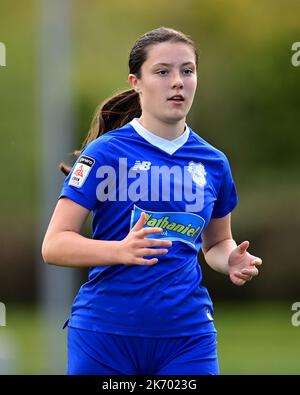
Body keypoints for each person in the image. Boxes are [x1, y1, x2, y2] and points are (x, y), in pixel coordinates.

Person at [41, 27, 263, 375]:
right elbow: (54, 245)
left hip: (188, 336)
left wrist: (230, 260)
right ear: (136, 82)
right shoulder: (105, 153)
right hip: (105, 335)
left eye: (187, 71)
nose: (177, 81)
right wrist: (119, 251)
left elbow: (217, 242)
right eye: (162, 71)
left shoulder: (213, 162)